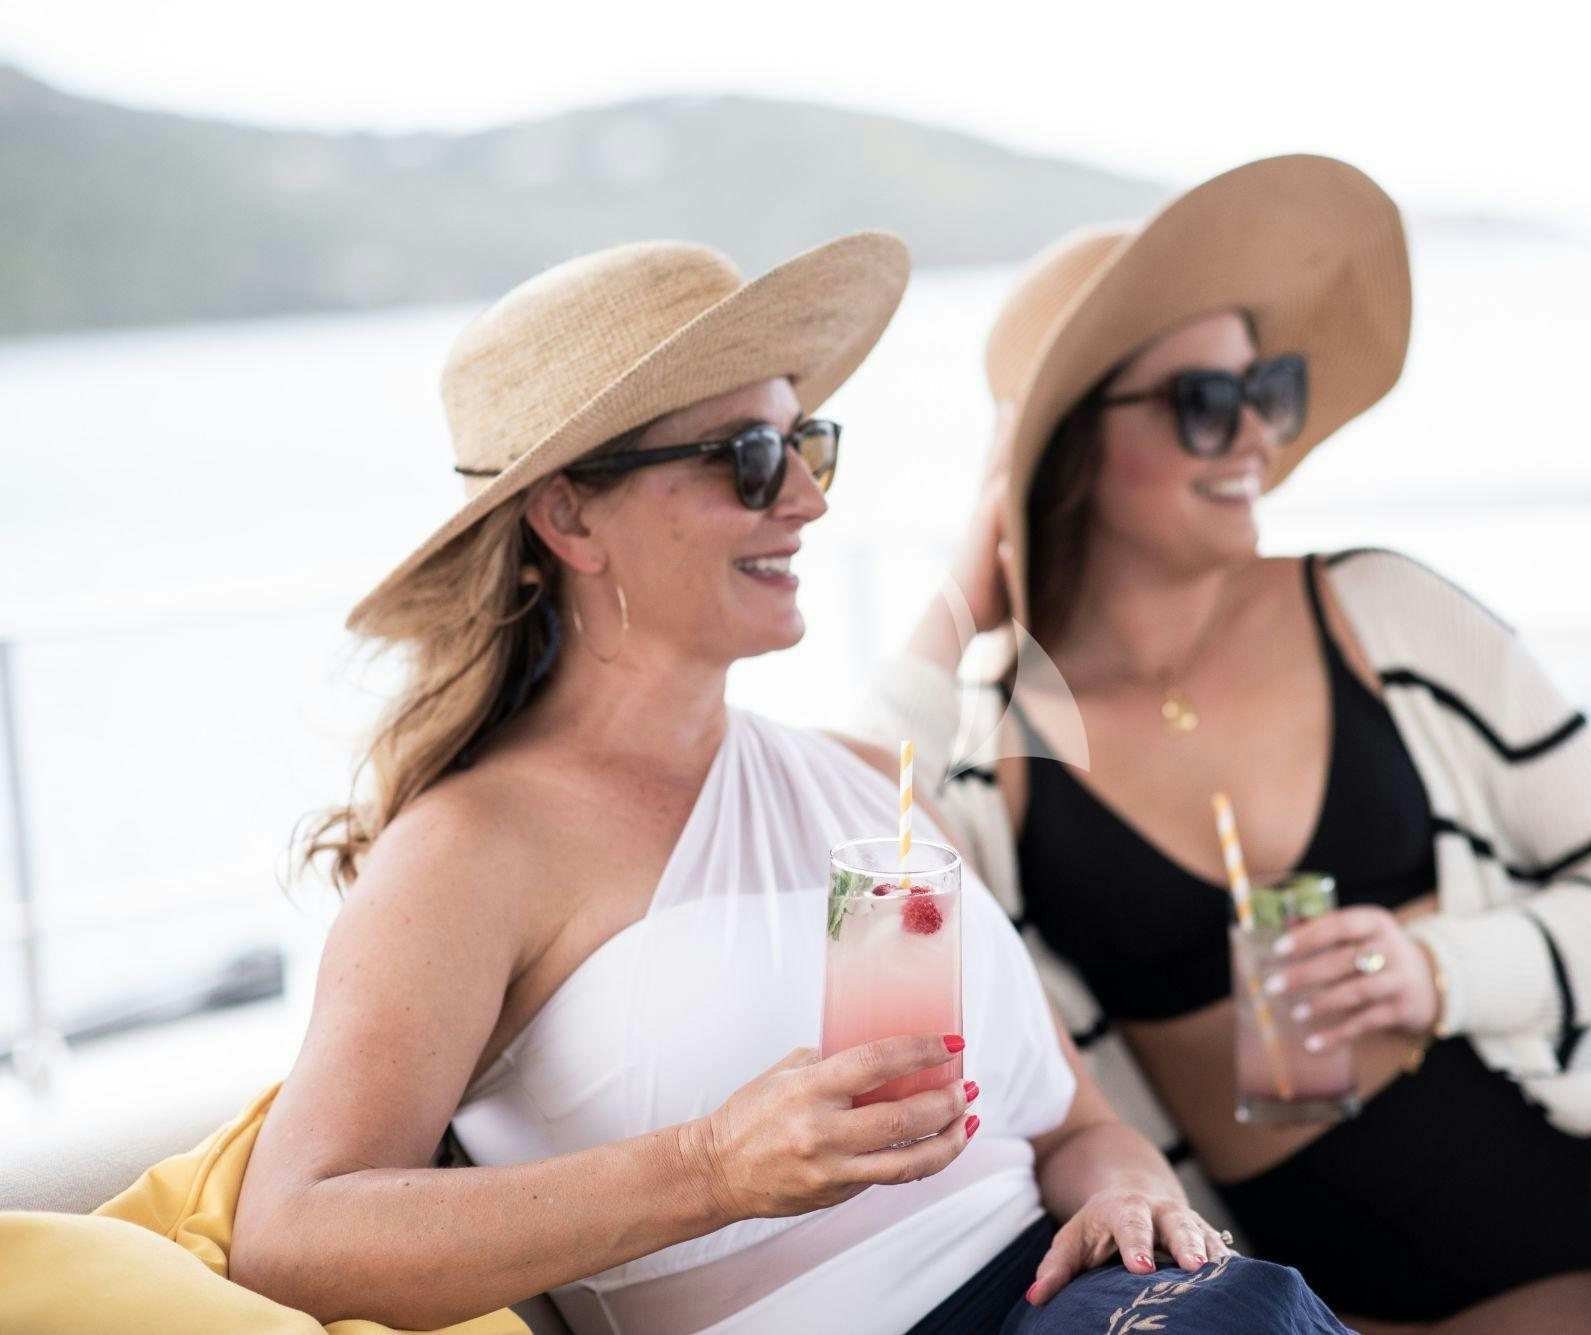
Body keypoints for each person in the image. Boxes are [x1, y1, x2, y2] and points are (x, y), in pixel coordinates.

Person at [855, 156, 1591, 1334]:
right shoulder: (995, 755)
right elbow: (844, 837)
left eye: (1269, 387)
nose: (1255, 429)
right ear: (1067, 446)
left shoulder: (1381, 617)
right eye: (1207, 400)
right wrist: (962, 586)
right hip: (1374, 1272)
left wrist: (1441, 969)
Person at [230, 234, 1348, 1334]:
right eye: (748, 460)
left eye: (807, 445)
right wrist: (712, 1168)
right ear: (570, 516)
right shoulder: (475, 848)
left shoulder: (868, 788)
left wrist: (1127, 1195)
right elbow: (294, 1238)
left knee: (1251, 1306)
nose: (806, 501)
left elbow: (1074, 1128)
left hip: (1080, 1300)